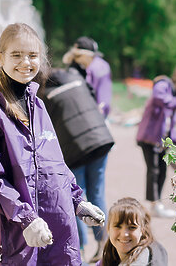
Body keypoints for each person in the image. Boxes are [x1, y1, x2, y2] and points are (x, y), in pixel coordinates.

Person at [0, 23, 105, 265]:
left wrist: (78, 201)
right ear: (0, 57)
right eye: (16, 55)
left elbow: (54, 163)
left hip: (55, 226)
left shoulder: (39, 106)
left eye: (32, 55)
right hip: (12, 233)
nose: (26, 62)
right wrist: (26, 218)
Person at [41, 66, 115, 263]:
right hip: (101, 140)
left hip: (74, 148)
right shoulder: (76, 77)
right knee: (97, 192)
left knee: (76, 198)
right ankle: (104, 245)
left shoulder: (43, 94)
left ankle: (79, 248)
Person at [136, 64, 176, 218]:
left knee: (162, 170)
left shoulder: (175, 92)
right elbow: (157, 96)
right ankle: (154, 204)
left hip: (161, 140)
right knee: (153, 170)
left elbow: (171, 123)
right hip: (150, 138)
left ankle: (157, 204)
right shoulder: (164, 84)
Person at [97, 197, 168, 266]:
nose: (124, 234)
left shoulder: (147, 259)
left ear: (142, 230)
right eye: (118, 226)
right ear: (108, 228)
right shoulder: (110, 255)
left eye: (132, 227)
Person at [62, 36, 112, 118]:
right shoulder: (81, 66)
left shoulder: (99, 68)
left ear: (88, 55)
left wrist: (99, 109)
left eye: (78, 56)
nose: (76, 59)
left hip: (97, 112)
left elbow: (103, 94)